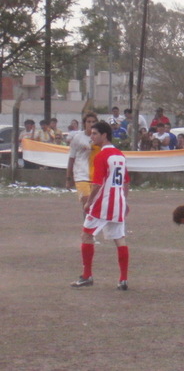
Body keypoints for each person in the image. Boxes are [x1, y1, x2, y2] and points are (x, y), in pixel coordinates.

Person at [70, 121, 130, 290]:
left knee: (86, 235)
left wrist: (89, 202)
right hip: (117, 203)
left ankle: (87, 276)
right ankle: (123, 279)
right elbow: (125, 182)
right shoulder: (119, 154)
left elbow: (97, 184)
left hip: (103, 203)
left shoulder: (101, 156)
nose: (92, 136)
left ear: (104, 135)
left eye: (95, 133)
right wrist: (124, 201)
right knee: (120, 239)